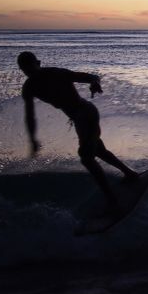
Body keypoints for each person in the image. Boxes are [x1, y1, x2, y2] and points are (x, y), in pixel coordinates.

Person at [17, 51, 138, 217]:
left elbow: (92, 76)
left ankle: (112, 201)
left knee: (86, 156)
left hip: (86, 112)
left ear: (38, 63)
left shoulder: (57, 73)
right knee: (98, 150)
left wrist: (95, 83)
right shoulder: (29, 88)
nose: (28, 72)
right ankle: (130, 174)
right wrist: (32, 139)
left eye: (30, 67)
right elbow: (29, 115)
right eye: (24, 70)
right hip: (77, 118)